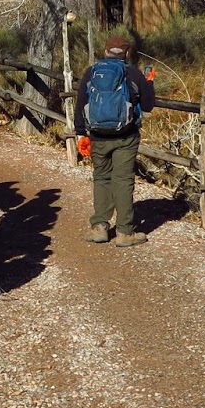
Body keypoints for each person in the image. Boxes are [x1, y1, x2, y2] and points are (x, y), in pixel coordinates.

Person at [73, 34, 156, 248]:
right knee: (123, 179)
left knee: (101, 178)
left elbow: (81, 103)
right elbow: (147, 105)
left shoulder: (91, 72)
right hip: (126, 136)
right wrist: (149, 83)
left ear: (105, 52)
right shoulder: (134, 74)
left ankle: (100, 227)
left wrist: (81, 133)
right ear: (126, 54)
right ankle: (124, 232)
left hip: (98, 135)